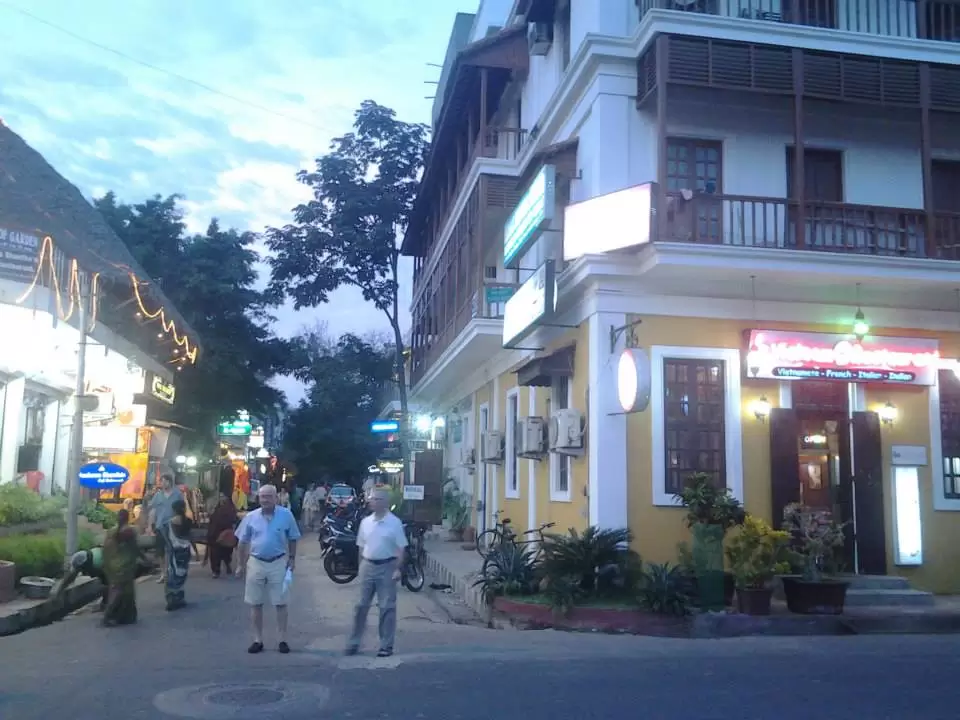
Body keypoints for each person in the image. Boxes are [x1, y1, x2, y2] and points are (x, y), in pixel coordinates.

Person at [235, 484, 301, 655]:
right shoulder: (250, 517)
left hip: (278, 562)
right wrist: (240, 565)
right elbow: (242, 543)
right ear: (259, 499)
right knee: (255, 603)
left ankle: (282, 640)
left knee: (280, 602)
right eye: (262, 497)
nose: (265, 500)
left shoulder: (286, 515)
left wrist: (292, 559)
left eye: (269, 496)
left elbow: (293, 538)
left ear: (276, 498)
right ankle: (258, 640)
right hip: (256, 562)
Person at [345, 486, 407, 658]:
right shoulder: (366, 522)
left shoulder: (394, 523)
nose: (373, 502)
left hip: (387, 566)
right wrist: (361, 568)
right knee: (361, 606)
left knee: (387, 607)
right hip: (367, 565)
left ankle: (386, 645)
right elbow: (361, 547)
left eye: (378, 499)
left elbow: (401, 548)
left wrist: (397, 568)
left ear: (385, 503)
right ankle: (354, 643)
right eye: (372, 499)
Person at [101, 509, 142, 626]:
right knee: (123, 592)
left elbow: (106, 549)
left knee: (115, 590)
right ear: (127, 518)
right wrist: (145, 559)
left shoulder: (111, 531)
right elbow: (135, 548)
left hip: (112, 566)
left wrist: (106, 564)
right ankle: (111, 616)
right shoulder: (129, 531)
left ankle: (114, 616)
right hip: (126, 566)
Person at [148, 472, 183, 584]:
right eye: (161, 481)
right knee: (160, 551)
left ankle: (171, 571)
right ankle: (163, 573)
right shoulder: (158, 495)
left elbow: (182, 510)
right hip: (160, 526)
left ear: (169, 482)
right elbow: (153, 511)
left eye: (163, 481)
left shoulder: (177, 494)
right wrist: (150, 526)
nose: (162, 483)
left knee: (171, 550)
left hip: (173, 527)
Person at [165, 499, 193, 611]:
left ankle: (172, 599)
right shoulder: (188, 521)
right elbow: (191, 537)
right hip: (185, 550)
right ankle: (179, 598)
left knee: (173, 573)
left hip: (174, 550)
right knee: (182, 573)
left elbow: (166, 538)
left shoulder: (170, 522)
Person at [206, 491, 238, 578]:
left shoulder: (230, 509)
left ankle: (226, 565)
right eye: (220, 497)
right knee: (215, 553)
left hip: (225, 534)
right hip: (215, 534)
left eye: (223, 497)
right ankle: (216, 571)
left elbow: (234, 519)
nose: (222, 499)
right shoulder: (216, 509)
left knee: (226, 552)